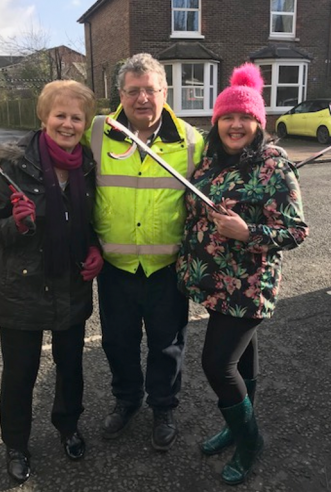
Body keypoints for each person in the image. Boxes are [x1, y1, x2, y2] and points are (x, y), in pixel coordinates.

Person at [176, 63, 309, 484]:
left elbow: (296, 230)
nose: (236, 125)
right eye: (227, 118)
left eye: (244, 118)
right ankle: (236, 428)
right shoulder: (211, 161)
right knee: (241, 360)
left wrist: (247, 230)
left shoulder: (273, 164)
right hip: (217, 284)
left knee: (217, 365)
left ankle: (250, 440)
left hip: (248, 287)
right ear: (216, 123)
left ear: (258, 122)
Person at [0, 80, 103, 484]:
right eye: (60, 115)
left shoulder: (87, 164)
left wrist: (96, 248)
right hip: (22, 289)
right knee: (20, 373)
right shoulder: (13, 164)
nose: (67, 124)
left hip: (70, 284)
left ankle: (68, 426)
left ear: (85, 124)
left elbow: (89, 221)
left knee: (70, 367)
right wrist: (16, 224)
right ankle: (16, 443)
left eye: (76, 117)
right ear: (44, 116)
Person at [84, 53, 205, 451]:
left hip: (166, 268)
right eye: (133, 91)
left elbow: (218, 186)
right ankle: (127, 400)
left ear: (164, 92)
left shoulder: (190, 139)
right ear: (119, 94)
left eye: (149, 90)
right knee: (117, 342)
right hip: (116, 267)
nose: (141, 99)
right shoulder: (98, 132)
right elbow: (57, 152)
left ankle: (163, 406)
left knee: (167, 345)